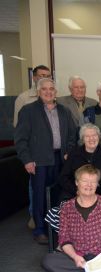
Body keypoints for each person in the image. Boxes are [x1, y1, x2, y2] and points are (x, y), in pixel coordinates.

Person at [15, 78, 76, 244]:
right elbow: (20, 139)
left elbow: (72, 135)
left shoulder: (64, 111)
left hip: (60, 159)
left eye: (51, 89)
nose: (48, 92)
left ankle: (55, 228)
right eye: (44, 89)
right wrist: (27, 160)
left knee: (58, 194)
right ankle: (40, 229)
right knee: (40, 195)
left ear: (56, 92)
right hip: (39, 160)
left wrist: (69, 151)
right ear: (38, 92)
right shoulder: (28, 111)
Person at [58, 123, 101, 200]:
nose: (91, 139)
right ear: (82, 139)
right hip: (74, 193)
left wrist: (96, 184)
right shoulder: (74, 154)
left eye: (94, 135)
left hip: (99, 192)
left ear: (98, 137)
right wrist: (76, 190)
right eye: (87, 136)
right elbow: (63, 177)